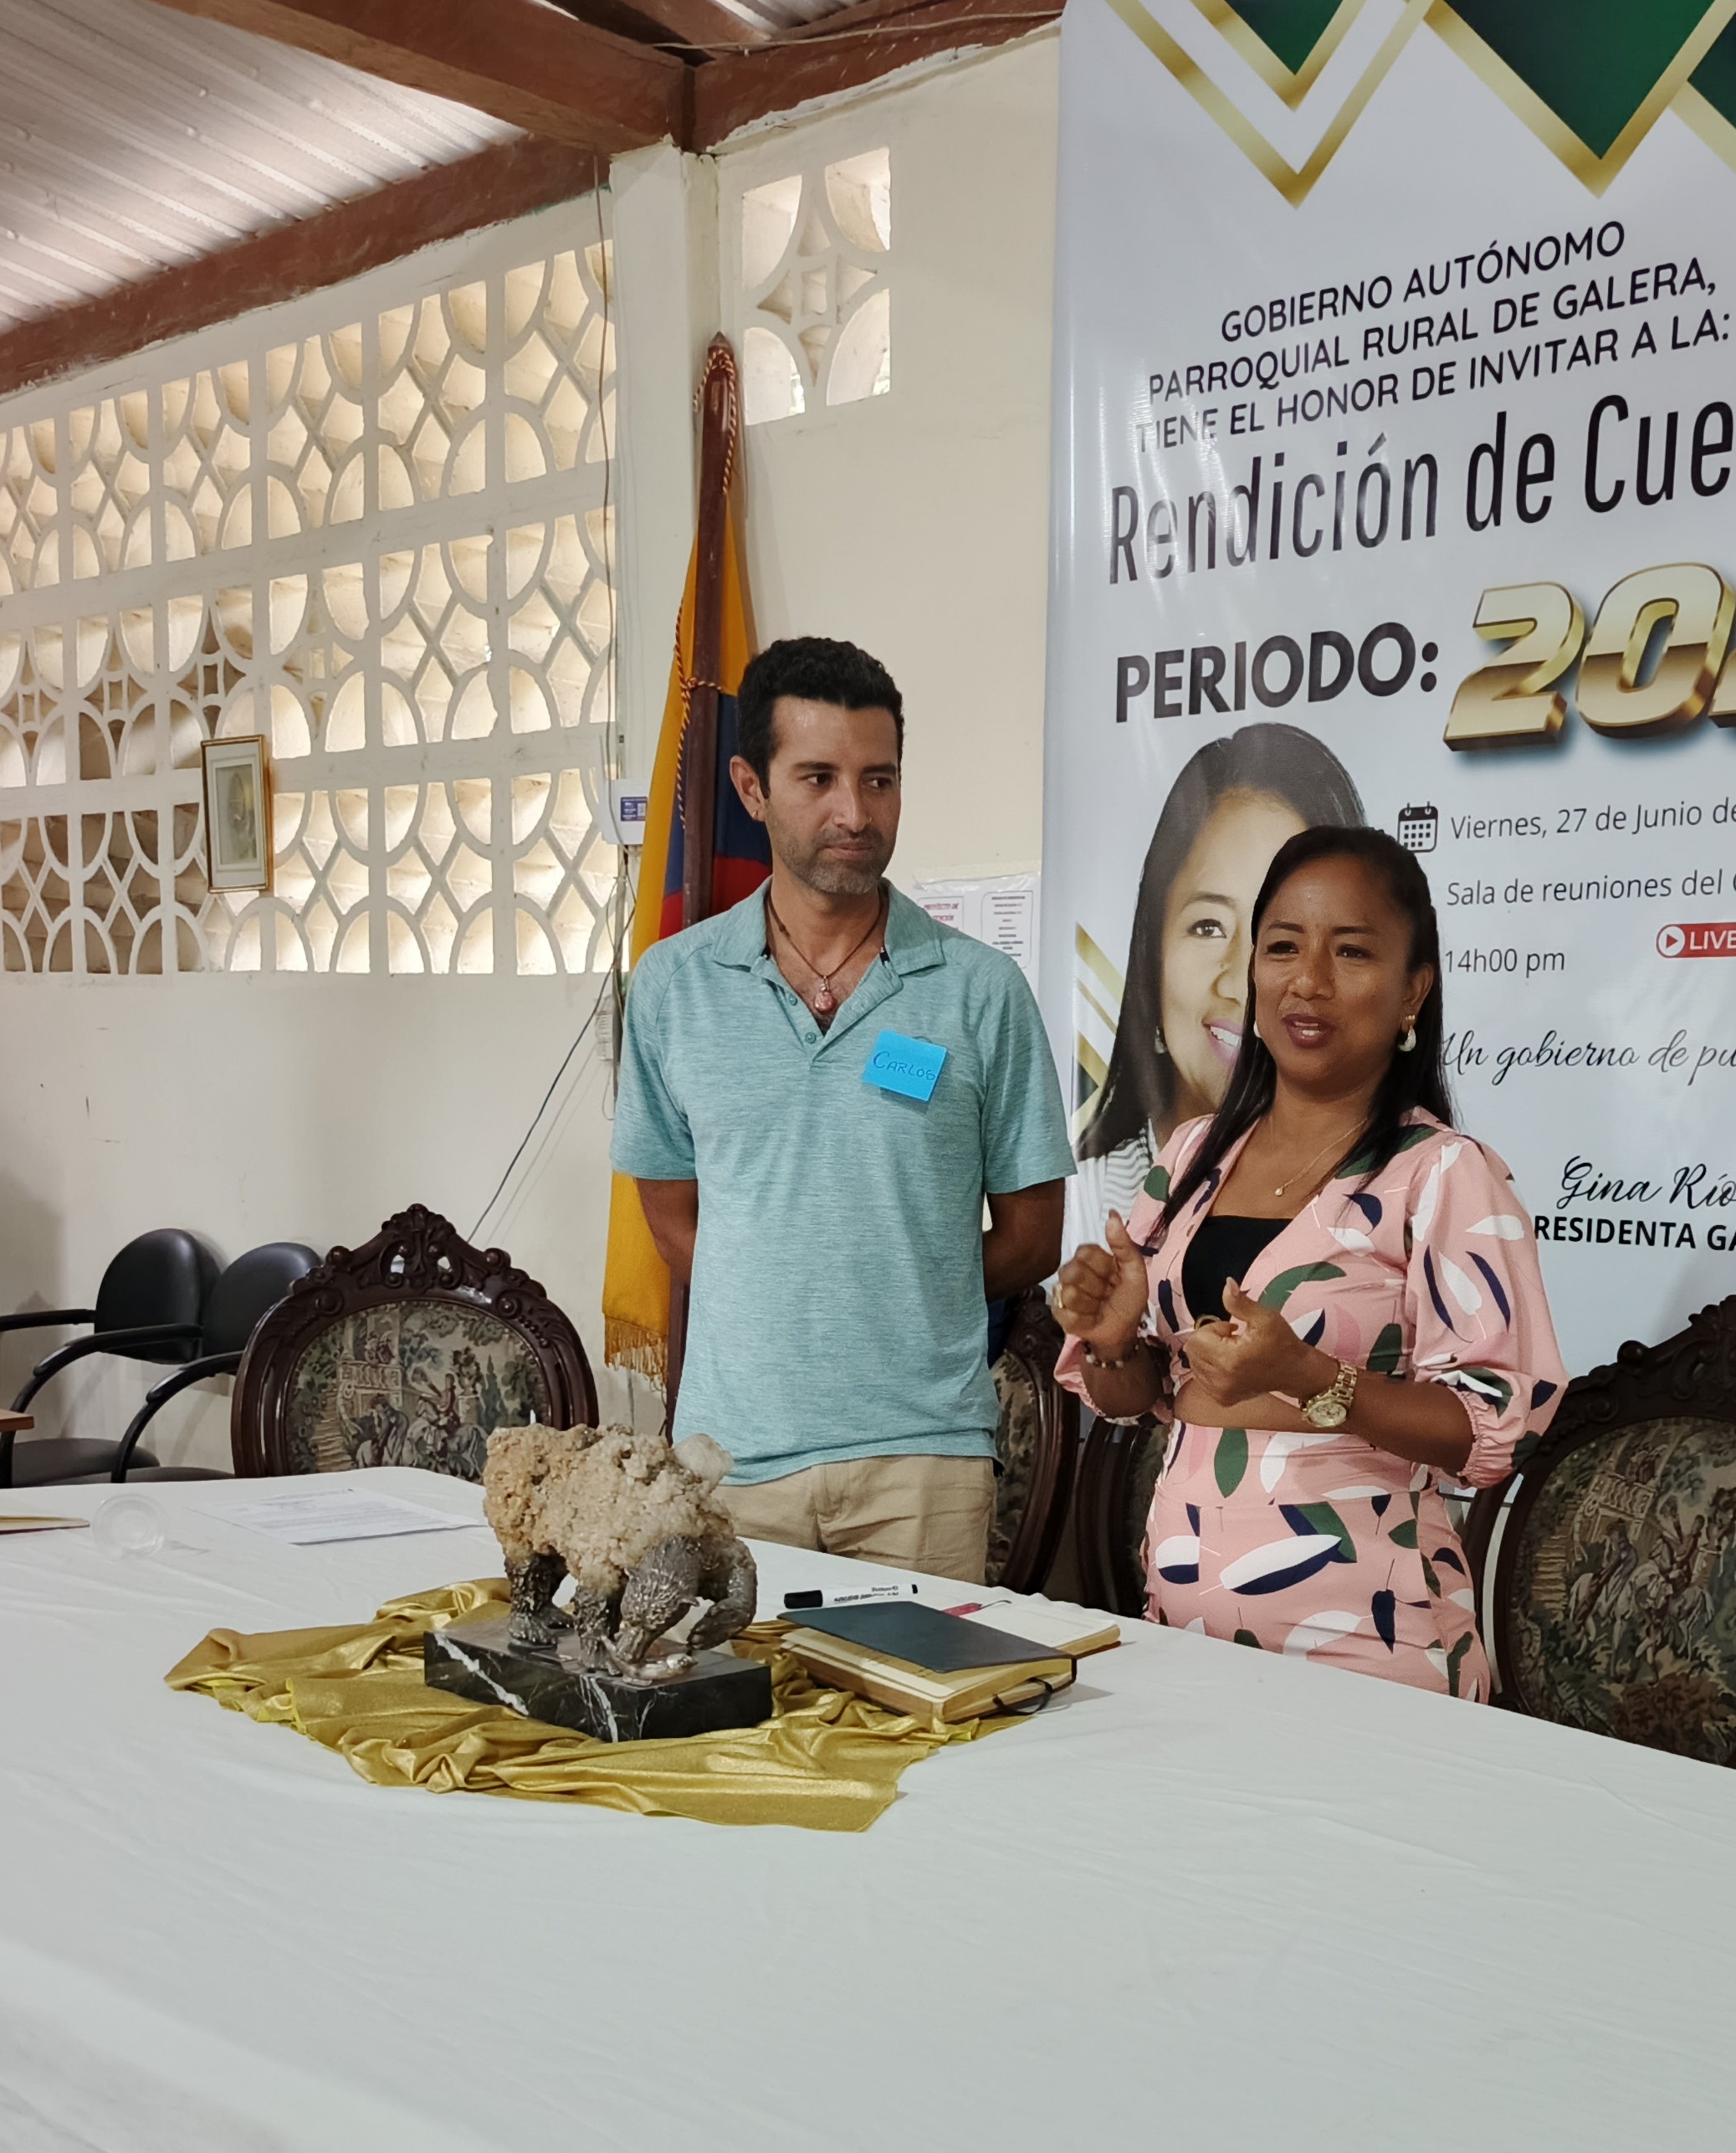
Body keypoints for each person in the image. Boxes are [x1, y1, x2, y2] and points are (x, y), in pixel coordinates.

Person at [1053, 827, 1567, 1696]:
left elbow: (1493, 1429)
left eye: (1351, 951)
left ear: (1413, 991)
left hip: (1373, 1641)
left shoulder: (1442, 1173)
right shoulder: (1190, 1157)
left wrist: (1308, 1376)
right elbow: (1144, 1394)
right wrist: (1109, 1342)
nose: (1309, 981)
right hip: (1185, 1630)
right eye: (1284, 947)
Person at [613, 635, 1073, 1580]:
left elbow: (1033, 1236)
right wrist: (786, 1294)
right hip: (732, 1460)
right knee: (731, 1680)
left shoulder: (982, 992)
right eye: (818, 778)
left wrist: (897, 1290)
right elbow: (670, 1218)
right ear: (752, 788)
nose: (854, 813)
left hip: (924, 1465)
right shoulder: (672, 987)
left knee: (924, 1684)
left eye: (879, 780)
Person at [1068, 725, 1363, 1252]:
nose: (1240, 981)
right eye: (1208, 926)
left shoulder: (1406, 1198)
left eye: (1283, 939)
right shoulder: (1075, 1208)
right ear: (1153, 952)